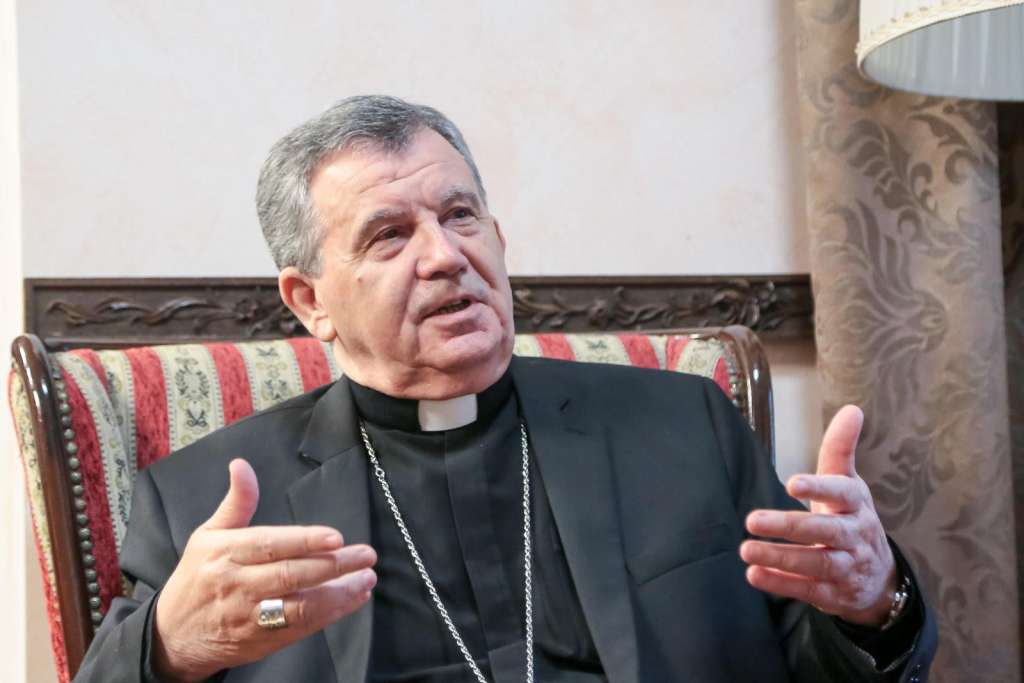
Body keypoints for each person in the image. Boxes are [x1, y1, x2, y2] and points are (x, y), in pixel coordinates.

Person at [75, 95, 936, 682]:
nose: (445, 255)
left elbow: (823, 660)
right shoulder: (208, 502)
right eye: (388, 235)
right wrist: (169, 647)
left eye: (460, 215)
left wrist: (875, 601)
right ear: (310, 302)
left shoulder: (684, 425)